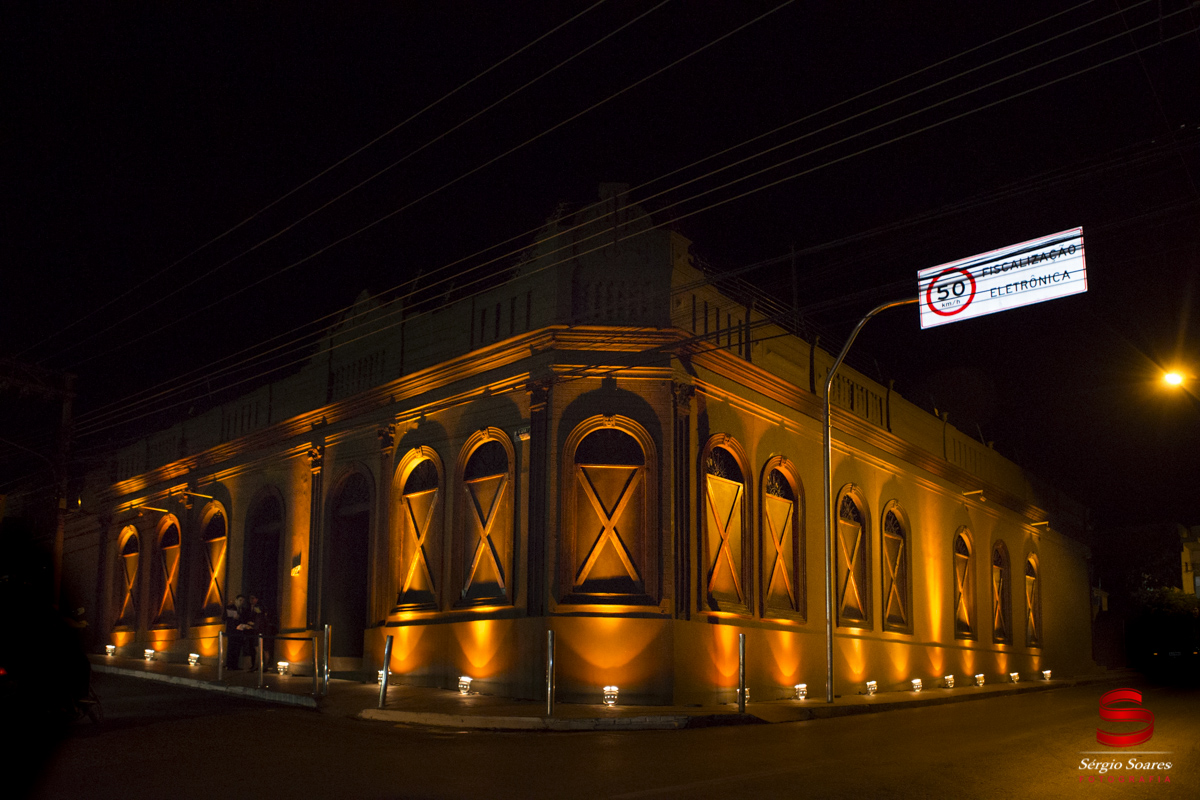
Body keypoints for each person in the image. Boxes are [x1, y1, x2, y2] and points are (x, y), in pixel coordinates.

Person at [246, 593, 273, 667]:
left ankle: (264, 666)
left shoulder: (261, 612)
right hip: (256, 631)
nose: (251, 600)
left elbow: (261, 621)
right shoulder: (256, 612)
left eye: (253, 598)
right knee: (257, 649)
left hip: (262, 631)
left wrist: (254, 625)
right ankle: (258, 665)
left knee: (264, 649)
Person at [224, 594, 248, 670]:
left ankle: (235, 665)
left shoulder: (242, 610)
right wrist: (233, 617)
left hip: (239, 631)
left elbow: (244, 619)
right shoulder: (231, 607)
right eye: (240, 600)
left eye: (243, 601)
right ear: (236, 600)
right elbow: (224, 617)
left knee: (237, 648)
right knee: (231, 648)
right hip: (232, 631)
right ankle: (229, 665)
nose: (241, 602)